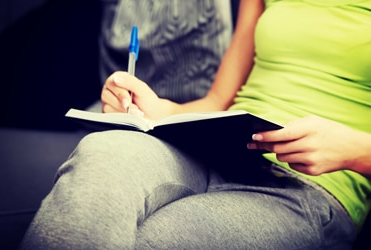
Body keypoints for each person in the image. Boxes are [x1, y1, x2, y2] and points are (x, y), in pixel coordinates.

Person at [21, 0, 371, 249]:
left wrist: (355, 149)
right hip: (221, 149)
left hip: (310, 188)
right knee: (102, 152)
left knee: (157, 239)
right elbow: (217, 101)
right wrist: (154, 109)